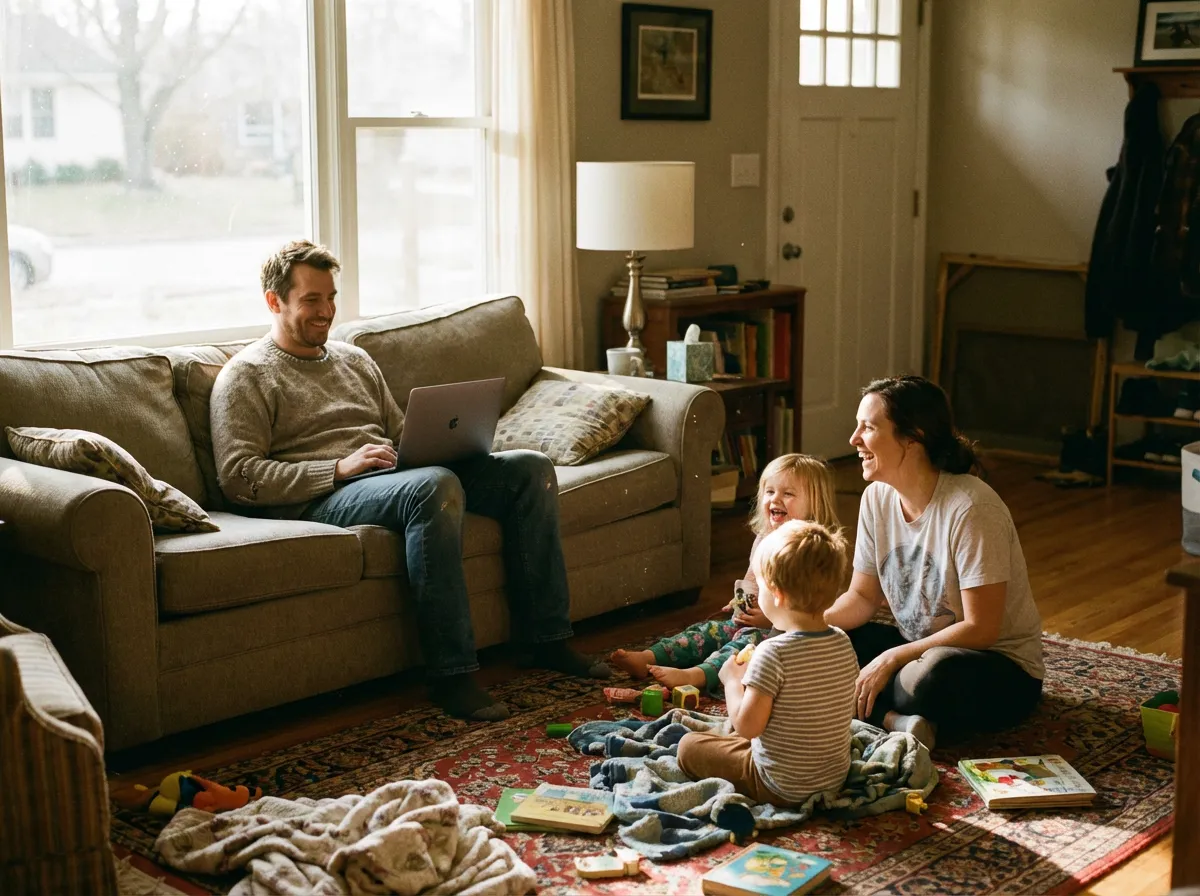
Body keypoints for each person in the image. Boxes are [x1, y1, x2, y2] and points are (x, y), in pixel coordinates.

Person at [209, 240, 609, 723]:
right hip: (325, 494)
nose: (326, 311)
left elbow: (400, 434)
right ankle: (452, 674)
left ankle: (547, 640)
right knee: (433, 486)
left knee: (530, 469)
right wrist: (337, 468)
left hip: (390, 476)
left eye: (331, 297)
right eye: (311, 300)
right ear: (275, 302)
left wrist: (446, 442)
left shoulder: (353, 360)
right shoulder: (247, 375)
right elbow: (240, 477)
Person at [825, 375, 1044, 750]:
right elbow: (862, 598)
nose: (854, 439)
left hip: (995, 667)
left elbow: (982, 629)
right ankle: (896, 721)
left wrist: (891, 658)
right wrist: (802, 624)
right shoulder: (876, 498)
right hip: (920, 649)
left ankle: (863, 706)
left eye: (869, 427)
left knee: (925, 682)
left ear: (913, 437)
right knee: (827, 645)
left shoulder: (972, 508)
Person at [609, 454, 840, 692]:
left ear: (815, 504)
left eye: (788, 494)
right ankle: (649, 657)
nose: (775, 499)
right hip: (750, 621)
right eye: (769, 492)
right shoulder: (764, 538)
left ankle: (695, 676)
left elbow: (812, 608)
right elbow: (752, 579)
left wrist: (770, 619)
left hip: (780, 634)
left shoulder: (810, 550)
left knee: (740, 649)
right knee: (704, 632)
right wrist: (740, 602)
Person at [675, 520, 859, 805]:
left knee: (688, 747)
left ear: (777, 595)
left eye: (760, 586)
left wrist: (733, 682)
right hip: (833, 779)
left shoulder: (772, 652)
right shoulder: (843, 642)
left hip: (780, 786)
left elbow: (746, 728)